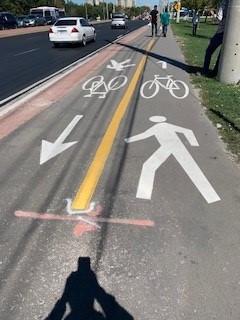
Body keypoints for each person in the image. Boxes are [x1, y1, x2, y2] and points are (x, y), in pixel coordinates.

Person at [197, 0, 229, 77]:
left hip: (221, 32)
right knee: (222, 54)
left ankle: (204, 71)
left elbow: (219, 18)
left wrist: (213, 15)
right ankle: (215, 73)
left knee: (209, 51)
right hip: (232, 33)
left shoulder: (225, 2)